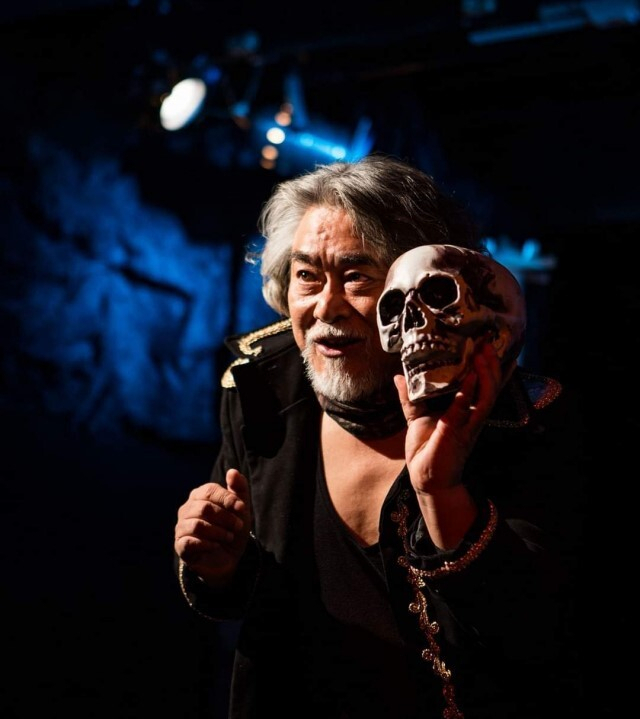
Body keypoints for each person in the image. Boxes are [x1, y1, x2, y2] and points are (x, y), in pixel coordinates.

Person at [173, 154, 581, 719]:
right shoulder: (260, 385)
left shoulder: (524, 418)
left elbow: (539, 636)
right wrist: (221, 561)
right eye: (307, 276)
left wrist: (441, 493)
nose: (326, 307)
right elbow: (254, 595)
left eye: (358, 277)